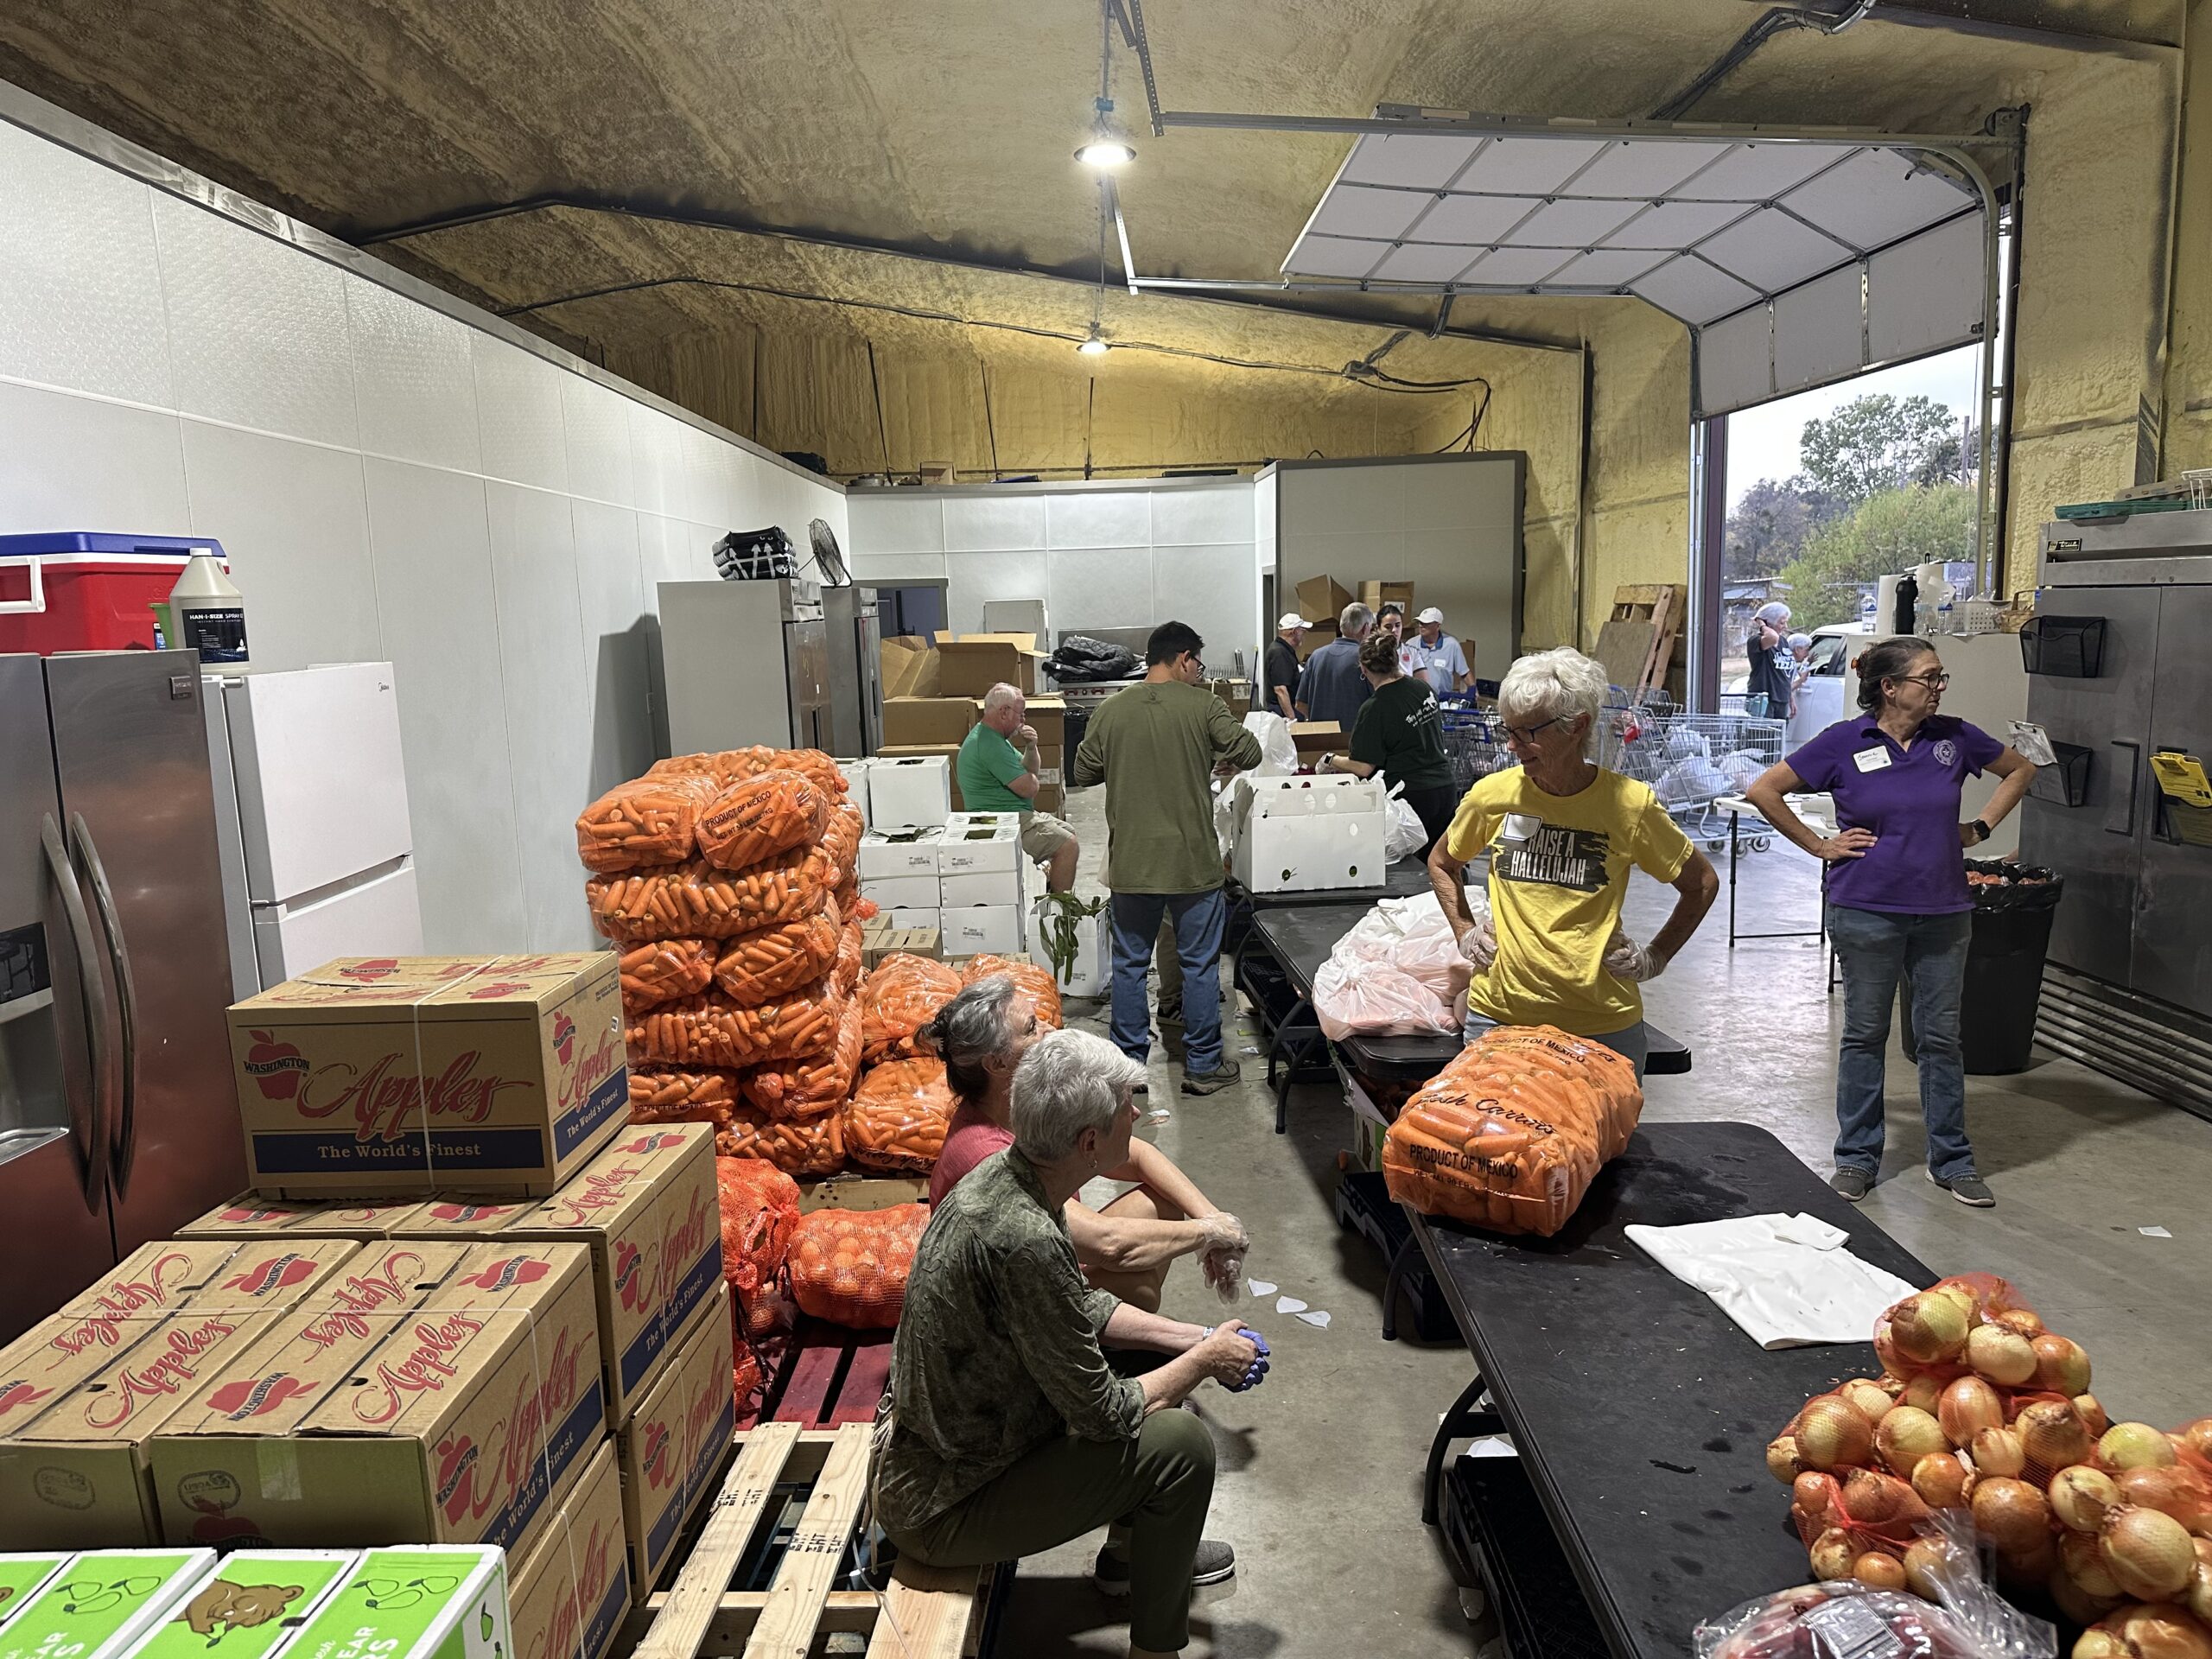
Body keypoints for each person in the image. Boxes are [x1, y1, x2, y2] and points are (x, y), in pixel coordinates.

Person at [876, 1030, 1272, 1659]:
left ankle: (1128, 1560)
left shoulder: (1008, 1180)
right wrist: (1204, 1361)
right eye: (1126, 1107)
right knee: (1181, 1445)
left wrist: (1189, 1339)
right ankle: (1156, 1651)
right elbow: (1105, 1414)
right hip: (944, 1506)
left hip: (944, 1458)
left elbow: (1074, 1304)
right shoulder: (1025, 1237)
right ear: (1089, 1142)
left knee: (1152, 1361)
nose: (1137, 1114)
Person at [1744, 638, 2037, 1209]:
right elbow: (1764, 790)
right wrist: (1819, 845)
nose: (1939, 687)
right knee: (1864, 1035)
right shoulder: (1844, 741)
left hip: (1943, 912)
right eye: (1930, 678)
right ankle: (1857, 1158)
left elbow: (2020, 769)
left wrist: (1979, 828)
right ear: (1890, 687)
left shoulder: (1954, 737)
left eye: (1941, 677)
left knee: (1941, 1040)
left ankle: (1951, 1161)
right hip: (1866, 909)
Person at [1427, 647, 1719, 1077]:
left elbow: (1701, 883)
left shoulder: (1629, 806)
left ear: (1577, 726)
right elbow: (1441, 863)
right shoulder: (1493, 796)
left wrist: (1655, 957)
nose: (1511, 745)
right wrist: (1465, 932)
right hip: (1502, 1016)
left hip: (1601, 1023)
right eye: (1508, 729)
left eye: (1526, 732)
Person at [919, 976, 1249, 1310]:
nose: (1049, 1029)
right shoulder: (983, 1154)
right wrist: (1209, 1234)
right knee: (1140, 1288)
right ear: (997, 1063)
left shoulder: (1023, 1107)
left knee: (1163, 1207)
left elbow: (1137, 1155)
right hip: (1005, 1295)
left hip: (1044, 1254)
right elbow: (1108, 1244)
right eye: (1031, 1028)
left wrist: (1214, 1219)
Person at [1071, 620, 1262, 1096]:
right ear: (1183, 658)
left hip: (1132, 863)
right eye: (1197, 663)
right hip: (1191, 864)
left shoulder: (1112, 709)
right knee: (1198, 965)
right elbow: (1251, 752)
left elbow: (1083, 771)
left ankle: (1128, 1070)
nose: (1198, 672)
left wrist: (1126, 760)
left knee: (1130, 966)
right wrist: (1211, 753)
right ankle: (1202, 1066)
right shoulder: (1203, 705)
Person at [1317, 632, 1459, 860]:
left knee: (1409, 867)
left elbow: (1363, 767)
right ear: (1396, 659)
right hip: (1445, 789)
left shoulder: (1375, 708)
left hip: (1412, 798)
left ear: (1363, 669)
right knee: (1439, 862)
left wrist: (1330, 760)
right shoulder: (1424, 689)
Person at [955, 682, 1080, 892]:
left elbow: (1029, 769)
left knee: (1068, 831)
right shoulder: (988, 744)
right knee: (1068, 846)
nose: (1023, 720)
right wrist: (1030, 778)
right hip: (1000, 821)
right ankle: (1060, 907)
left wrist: (1031, 747)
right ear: (1004, 712)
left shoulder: (995, 738)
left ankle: (1041, 888)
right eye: (1020, 714)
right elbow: (1030, 788)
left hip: (1014, 815)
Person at [1294, 601, 1373, 728]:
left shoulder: (1315, 657)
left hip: (1320, 736)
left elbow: (1300, 704)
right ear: (1365, 629)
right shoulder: (1367, 658)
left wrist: (1324, 724)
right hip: (1355, 736)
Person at [1401, 606, 1473, 696]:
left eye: (1426, 623)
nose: (1421, 625)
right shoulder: (1411, 644)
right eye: (1420, 622)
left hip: (1442, 698)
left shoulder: (1452, 645)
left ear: (1438, 626)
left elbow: (1464, 672)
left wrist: (1474, 691)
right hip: (1417, 697)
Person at [1746, 601, 1794, 721]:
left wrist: (1790, 698)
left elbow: (1784, 673)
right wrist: (1762, 625)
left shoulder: (1783, 641)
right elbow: (1772, 638)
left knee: (1780, 733)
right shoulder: (1755, 641)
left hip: (1782, 699)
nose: (1785, 626)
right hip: (1763, 700)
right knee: (1763, 733)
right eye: (1781, 623)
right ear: (1769, 623)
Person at [1262, 613, 1307, 721]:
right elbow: (1280, 690)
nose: (1303, 635)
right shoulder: (1279, 653)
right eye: (1302, 631)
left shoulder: (1286, 651)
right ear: (1294, 632)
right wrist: (1292, 719)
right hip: (1281, 712)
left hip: (1287, 709)